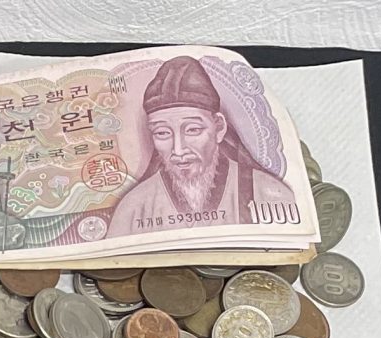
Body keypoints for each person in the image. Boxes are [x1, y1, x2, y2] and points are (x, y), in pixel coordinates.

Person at [106, 55, 302, 237]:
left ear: (219, 127)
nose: (178, 150)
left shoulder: (268, 193)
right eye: (162, 133)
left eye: (193, 130)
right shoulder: (132, 208)